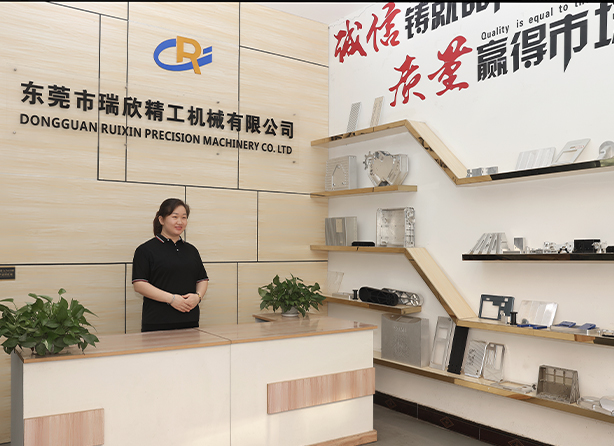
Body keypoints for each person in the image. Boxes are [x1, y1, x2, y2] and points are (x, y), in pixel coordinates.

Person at [132, 198, 209, 332]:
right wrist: (172, 299)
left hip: (190, 321)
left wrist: (198, 297)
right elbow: (139, 284)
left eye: (184, 217)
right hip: (157, 322)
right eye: (175, 217)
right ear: (161, 220)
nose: (180, 222)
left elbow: (202, 279)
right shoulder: (145, 250)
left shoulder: (192, 250)